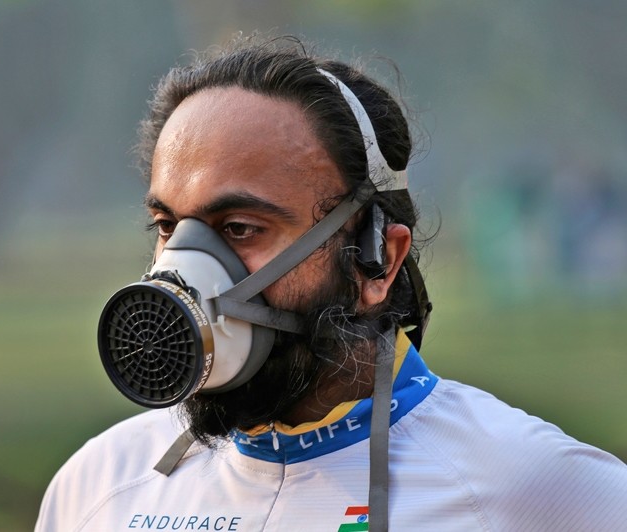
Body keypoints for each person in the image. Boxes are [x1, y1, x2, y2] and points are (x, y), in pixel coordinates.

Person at [35, 36, 627, 531]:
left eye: (240, 228)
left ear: (378, 263)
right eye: (168, 225)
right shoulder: (100, 490)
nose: (184, 267)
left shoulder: (527, 491)